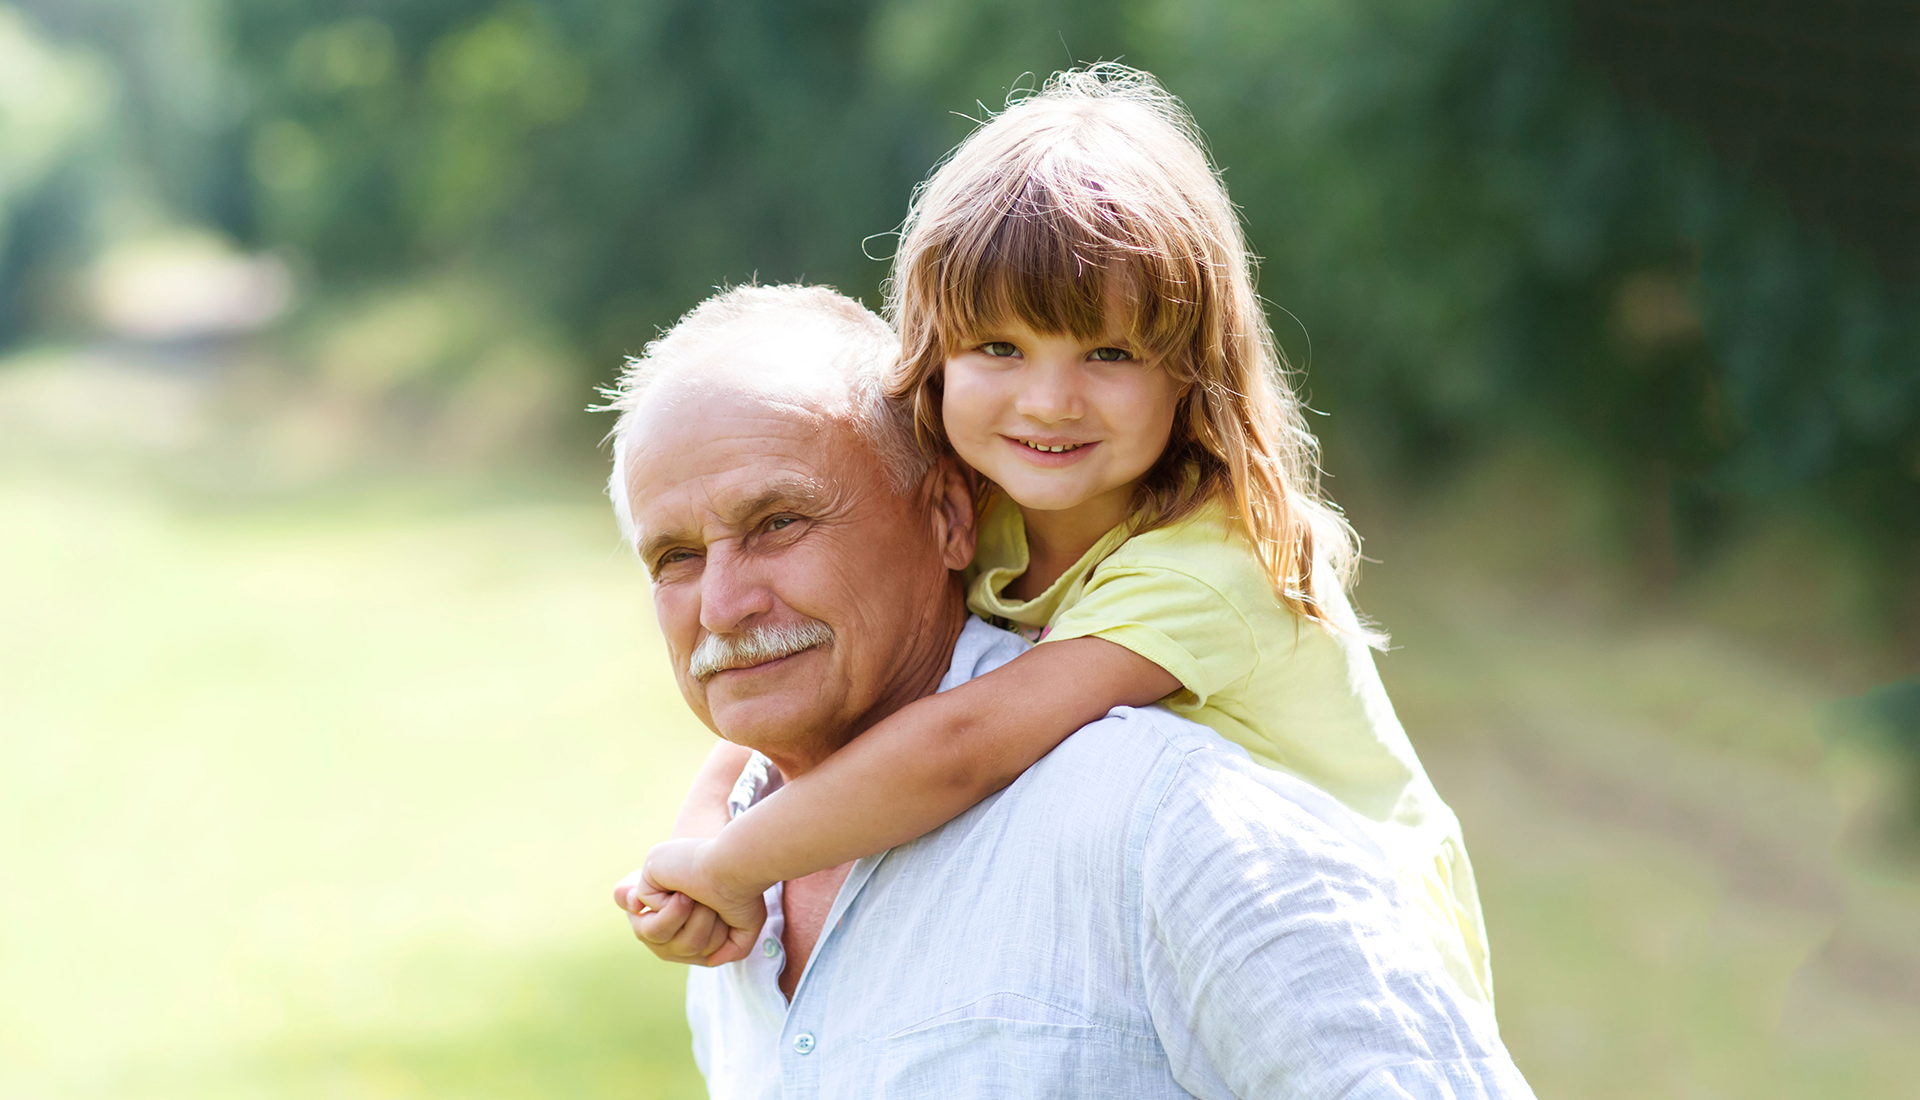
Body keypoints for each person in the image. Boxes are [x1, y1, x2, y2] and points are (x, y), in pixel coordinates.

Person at [634, 65, 1495, 1009]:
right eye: (999, 348)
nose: (1049, 401)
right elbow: (777, 663)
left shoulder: (1207, 561)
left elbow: (966, 742)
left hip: (1344, 966)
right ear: (936, 354)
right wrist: (705, 829)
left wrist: (732, 865)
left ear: (1190, 374)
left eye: (1110, 353)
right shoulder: (994, 506)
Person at [604, 283, 1534, 1097]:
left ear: (949, 517)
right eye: (676, 557)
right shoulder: (735, 906)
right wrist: (701, 844)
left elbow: (959, 743)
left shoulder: (1167, 821)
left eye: (778, 523)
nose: (723, 604)